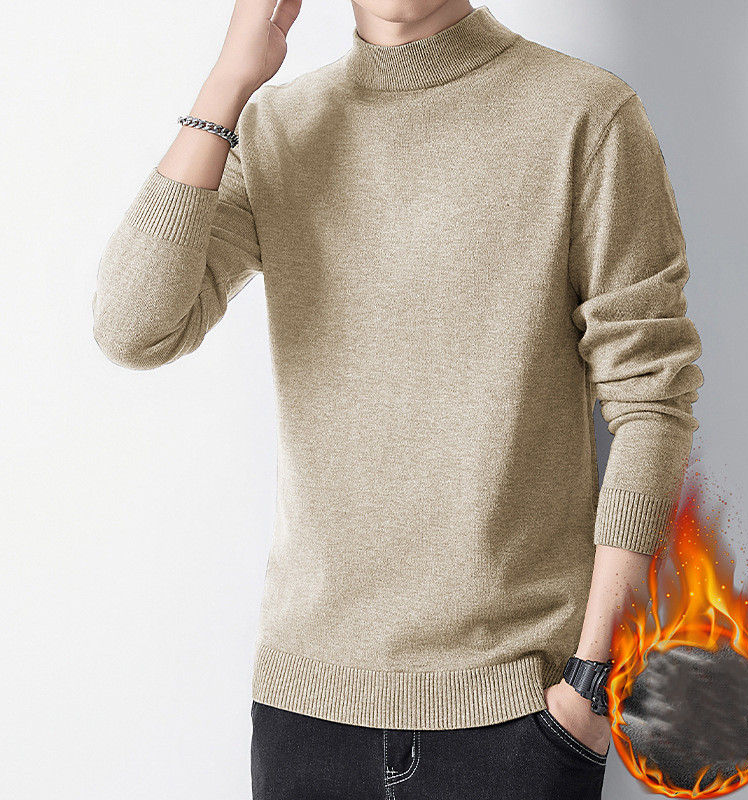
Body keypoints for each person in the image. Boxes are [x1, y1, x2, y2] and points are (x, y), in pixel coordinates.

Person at [92, 1, 704, 798]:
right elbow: (134, 329)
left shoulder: (585, 114)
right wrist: (228, 82)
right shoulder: (279, 127)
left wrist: (592, 679)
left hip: (519, 711)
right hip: (306, 714)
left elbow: (652, 399)